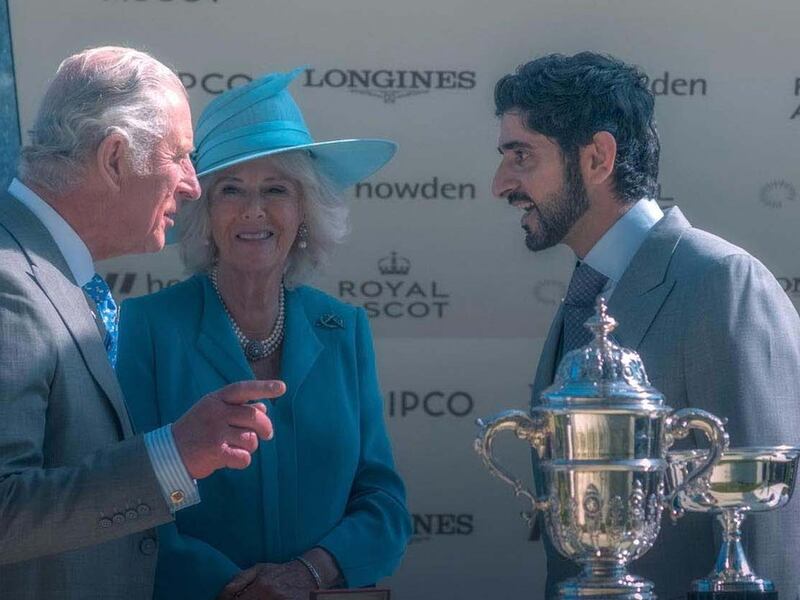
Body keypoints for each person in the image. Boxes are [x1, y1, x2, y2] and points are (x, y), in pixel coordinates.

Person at [491, 52, 800, 599]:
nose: (501, 184)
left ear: (597, 157)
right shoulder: (590, 288)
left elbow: (770, 529)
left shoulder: (723, 282)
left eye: (521, 156)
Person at [0, 47, 285, 600]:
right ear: (114, 159)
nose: (192, 184)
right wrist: (172, 455)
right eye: (179, 156)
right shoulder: (10, 284)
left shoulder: (53, 274)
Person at [116, 67, 411, 600]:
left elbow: (383, 503)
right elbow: (128, 499)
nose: (254, 210)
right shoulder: (147, 328)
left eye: (276, 188)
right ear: (204, 210)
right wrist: (238, 590)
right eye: (232, 190)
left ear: (305, 210)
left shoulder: (343, 329)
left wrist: (308, 574)